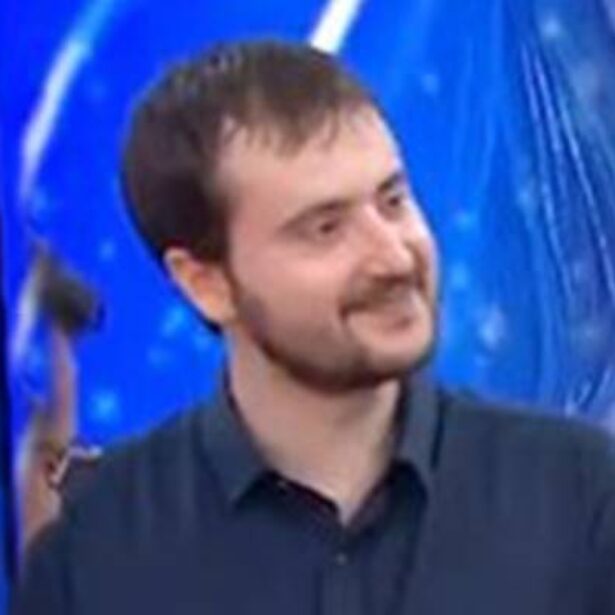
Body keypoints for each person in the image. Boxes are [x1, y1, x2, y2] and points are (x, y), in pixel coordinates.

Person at [13, 39, 615, 614]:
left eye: (392, 202)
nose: (394, 257)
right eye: (325, 228)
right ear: (206, 283)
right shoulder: (93, 553)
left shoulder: (582, 497)